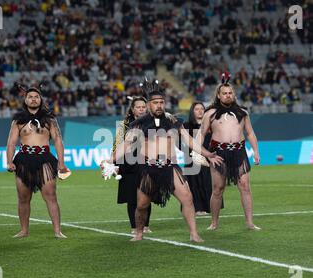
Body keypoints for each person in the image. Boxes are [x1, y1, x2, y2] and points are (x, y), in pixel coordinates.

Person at [103, 79, 223, 242]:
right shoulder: (139, 124)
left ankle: (194, 233)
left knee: (187, 198)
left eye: (161, 102)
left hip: (170, 167)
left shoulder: (173, 121)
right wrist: (110, 160)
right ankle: (139, 232)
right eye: (155, 103)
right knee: (141, 206)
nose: (159, 105)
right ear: (149, 105)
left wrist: (208, 154)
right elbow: (126, 145)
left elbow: (189, 141)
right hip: (148, 169)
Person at [200, 74, 261, 231]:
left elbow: (251, 133)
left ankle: (250, 223)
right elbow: (200, 136)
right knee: (218, 189)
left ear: (233, 95)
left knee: (245, 187)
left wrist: (256, 152)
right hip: (219, 153)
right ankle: (214, 223)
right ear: (219, 96)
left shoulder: (242, 112)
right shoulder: (210, 113)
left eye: (230, 93)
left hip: (239, 153)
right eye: (224, 93)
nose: (228, 95)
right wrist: (205, 154)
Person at [6, 85, 68, 238]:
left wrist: (61, 163)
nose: (33, 99)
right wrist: (9, 161)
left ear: (40, 100)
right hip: (23, 160)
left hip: (45, 160)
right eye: (30, 97)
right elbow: (11, 142)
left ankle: (57, 231)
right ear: (25, 100)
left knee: (51, 195)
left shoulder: (50, 118)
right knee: (23, 197)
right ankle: (24, 230)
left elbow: (58, 140)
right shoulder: (18, 120)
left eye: (36, 97)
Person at [113, 96, 152, 234]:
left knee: (147, 194)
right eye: (138, 107)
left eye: (143, 107)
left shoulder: (152, 123)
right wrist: (115, 164)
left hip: (146, 162)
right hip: (127, 164)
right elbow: (117, 145)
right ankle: (134, 227)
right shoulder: (124, 125)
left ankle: (146, 225)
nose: (141, 109)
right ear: (132, 109)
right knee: (131, 197)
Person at [183, 102, 224, 216]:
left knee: (208, 183)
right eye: (197, 109)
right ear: (192, 111)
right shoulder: (186, 126)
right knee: (194, 184)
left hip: (209, 158)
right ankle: (197, 208)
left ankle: (209, 207)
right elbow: (184, 143)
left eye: (202, 109)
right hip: (192, 159)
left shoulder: (210, 125)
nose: (200, 111)